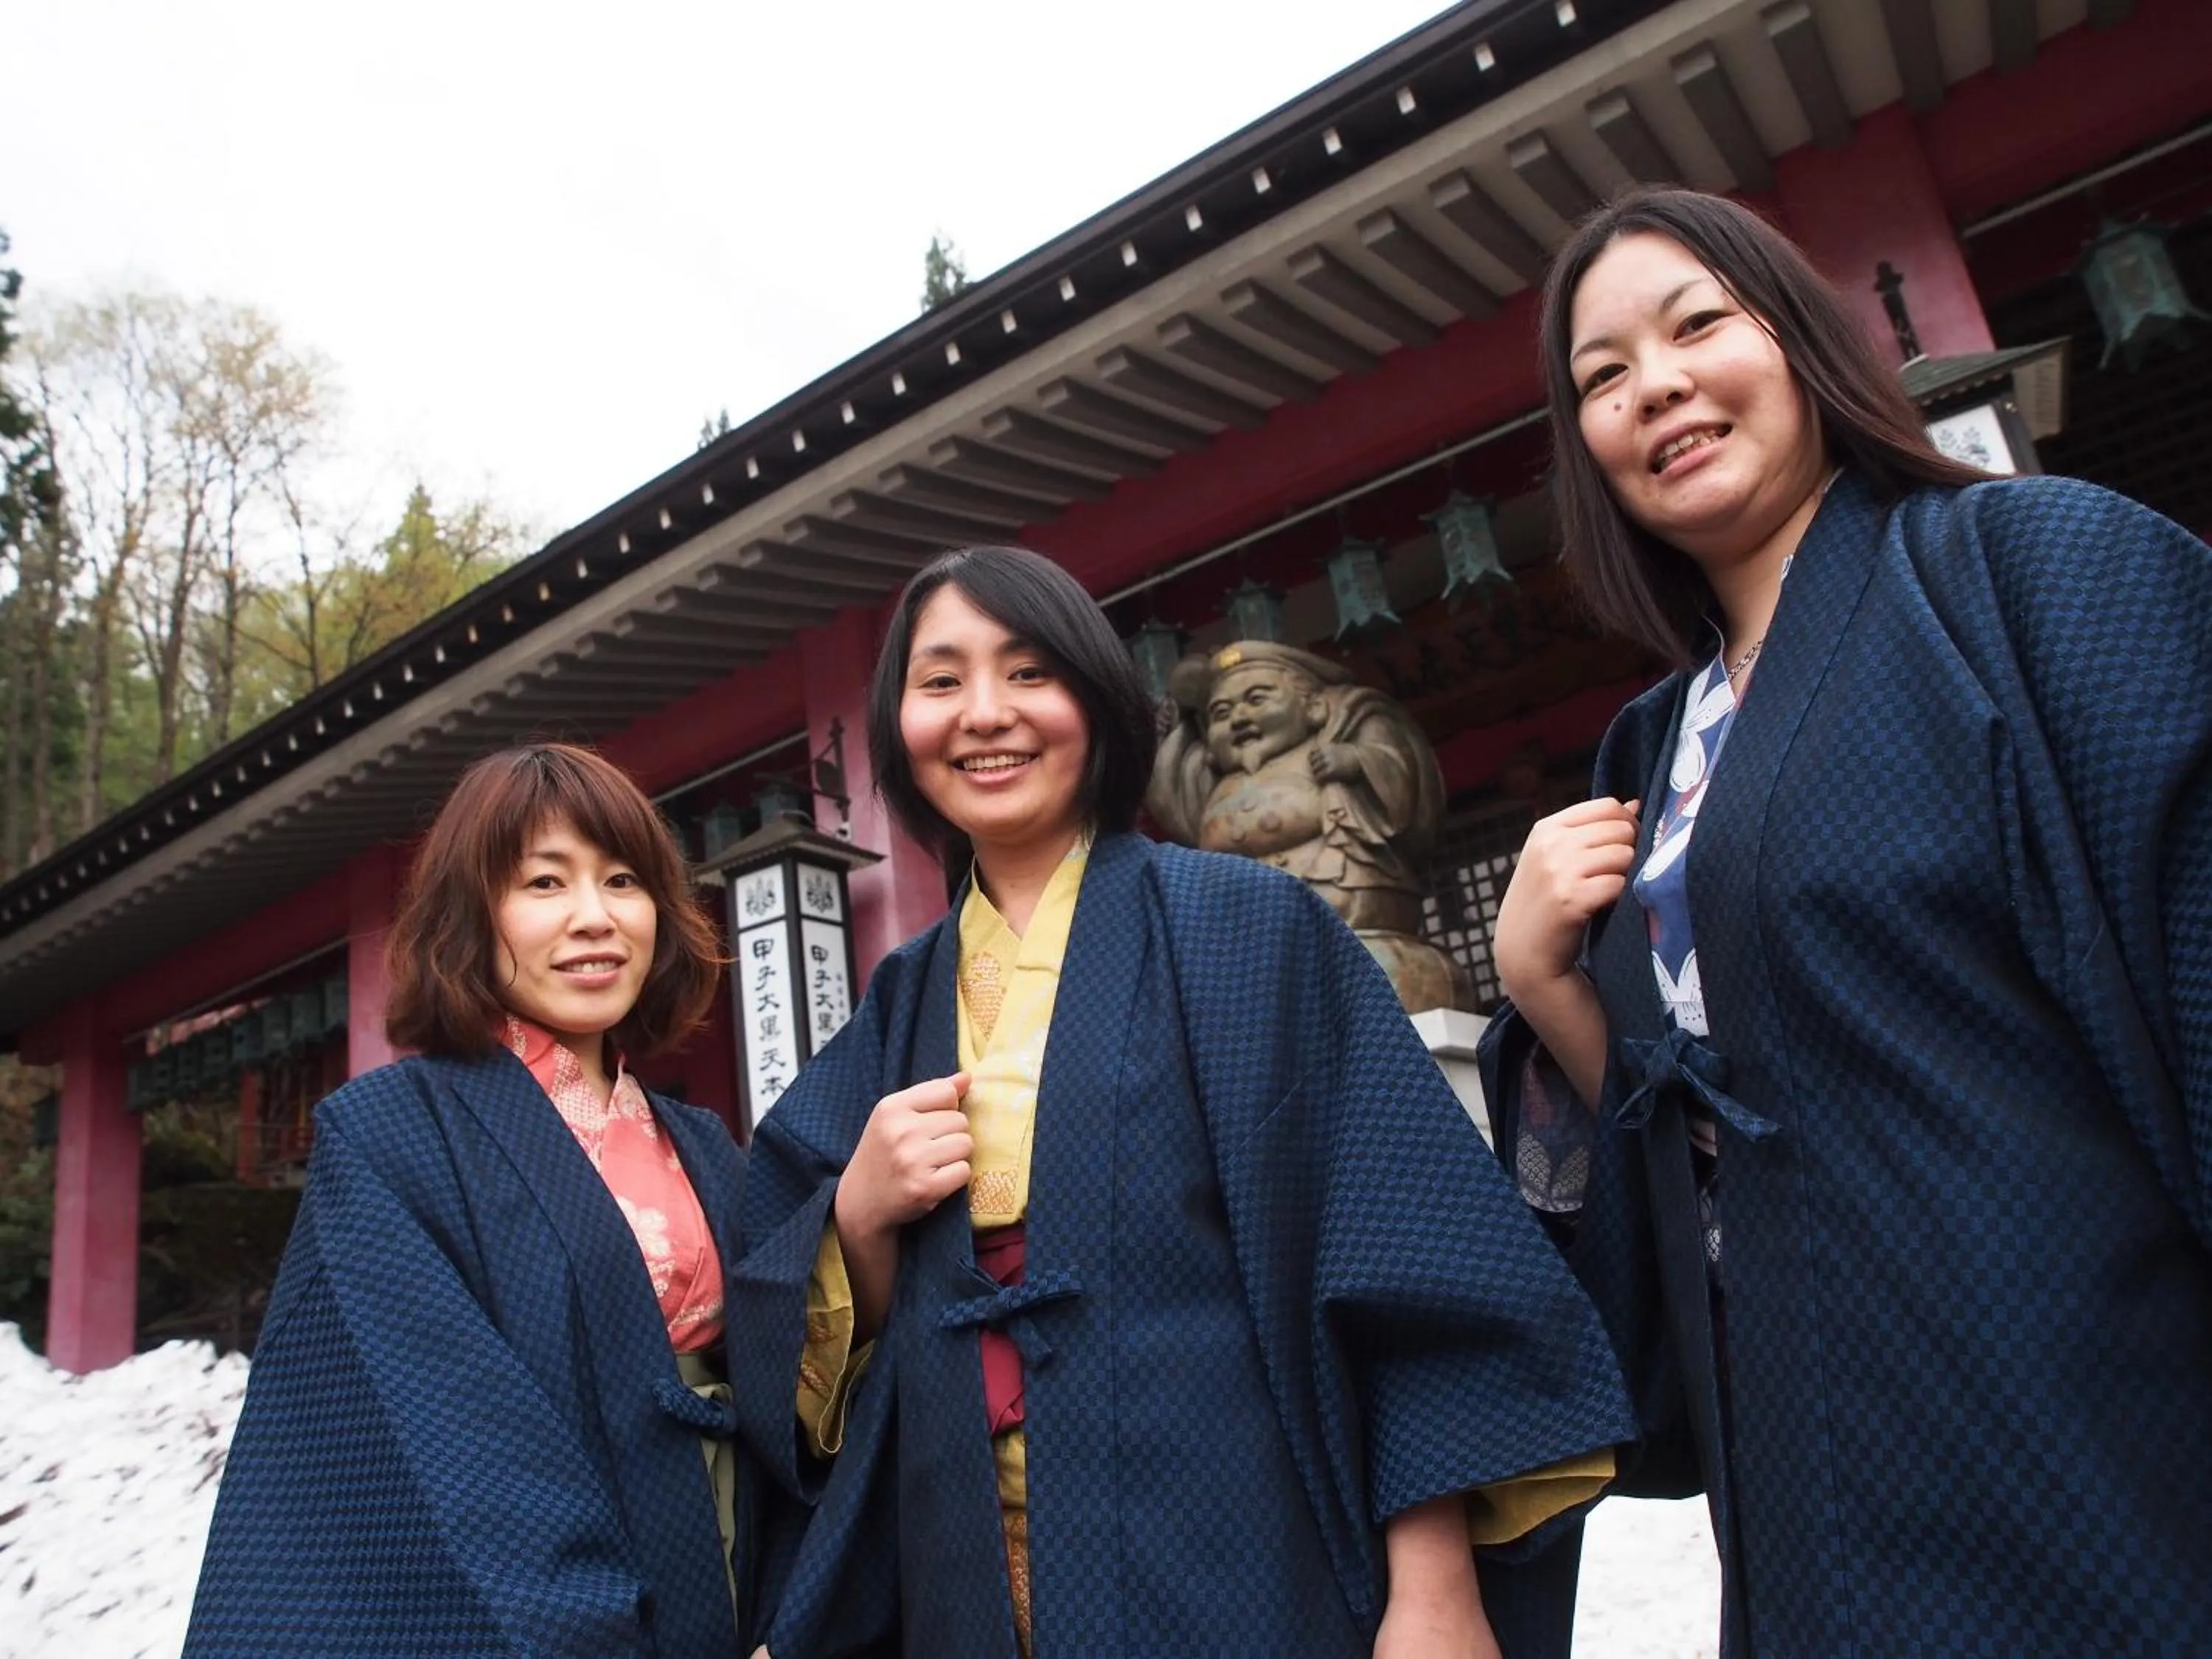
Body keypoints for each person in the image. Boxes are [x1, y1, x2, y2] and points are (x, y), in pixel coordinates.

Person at [1484, 186, 2212, 1656]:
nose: (1657, 387)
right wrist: (1541, 982)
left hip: (2080, 1400)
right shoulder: (1647, 750)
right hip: (1807, 1459)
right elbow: (1685, 1140)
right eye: (1603, 378)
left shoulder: (2039, 570)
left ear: (1802, 338)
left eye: (1697, 325)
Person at [727, 544, 1633, 1659]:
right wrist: (859, 1220)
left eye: (1027, 671)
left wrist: (1434, 1587)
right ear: (897, 728)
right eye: (941, 680)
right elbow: (764, 1326)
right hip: (967, 1590)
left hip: (1237, 1554)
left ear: (1098, 702)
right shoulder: (895, 1006)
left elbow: (1406, 1257)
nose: (985, 714)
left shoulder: (1249, 929)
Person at [186, 743, 768, 1658]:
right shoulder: (388, 1139)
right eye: (544, 883)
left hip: (740, 1592)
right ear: (471, 916)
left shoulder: (702, 1147)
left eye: (623, 880)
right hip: (556, 1611)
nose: (594, 918)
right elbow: (462, 1448)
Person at [1148, 638, 1469, 1012]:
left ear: (1314, 705)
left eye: (1257, 699)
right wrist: (1178, 725)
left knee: (1377, 971)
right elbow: (1167, 791)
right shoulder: (1209, 784)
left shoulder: (1333, 744)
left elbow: (1401, 776)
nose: (1238, 718)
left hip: (1351, 911)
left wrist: (1354, 761)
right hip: (1251, 946)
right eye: (1221, 713)